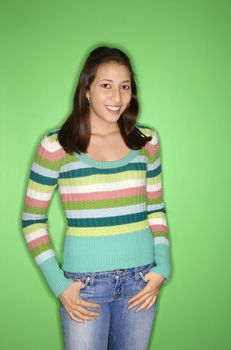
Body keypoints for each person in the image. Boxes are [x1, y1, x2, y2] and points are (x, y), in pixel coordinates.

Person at [21, 46, 171, 350]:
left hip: (140, 282)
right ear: (86, 90)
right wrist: (58, 284)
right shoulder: (56, 147)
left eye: (125, 86)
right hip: (84, 287)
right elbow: (32, 220)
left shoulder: (147, 143)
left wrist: (163, 266)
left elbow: (155, 209)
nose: (117, 97)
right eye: (106, 85)